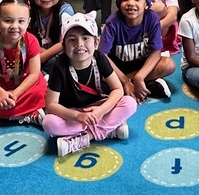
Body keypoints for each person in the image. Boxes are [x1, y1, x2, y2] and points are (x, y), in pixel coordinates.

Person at [43, 12, 137, 157]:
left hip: (99, 106)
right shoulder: (59, 65)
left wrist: (101, 111)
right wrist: (77, 115)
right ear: (64, 46)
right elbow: (51, 105)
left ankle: (86, 137)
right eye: (72, 39)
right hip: (73, 112)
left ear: (96, 42)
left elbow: (117, 89)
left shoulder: (100, 58)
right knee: (48, 123)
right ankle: (109, 129)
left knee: (130, 103)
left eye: (85, 38)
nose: (79, 44)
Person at [100, 0, 176, 103]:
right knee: (96, 72)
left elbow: (156, 52)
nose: (130, 3)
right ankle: (140, 85)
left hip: (141, 65)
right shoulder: (113, 22)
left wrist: (139, 77)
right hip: (117, 67)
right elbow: (102, 55)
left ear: (146, 4)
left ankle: (126, 86)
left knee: (168, 65)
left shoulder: (152, 18)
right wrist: (125, 80)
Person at [0, 0, 48, 124]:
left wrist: (15, 94)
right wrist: (2, 93)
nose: (14, 26)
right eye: (8, 20)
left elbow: (34, 74)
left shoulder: (32, 41)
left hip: (24, 86)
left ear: (28, 22)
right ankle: (27, 113)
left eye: (21, 21)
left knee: (39, 93)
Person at [28, 0, 75, 74]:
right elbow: (24, 38)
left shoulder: (65, 10)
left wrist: (38, 59)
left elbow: (64, 42)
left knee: (55, 63)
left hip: (58, 54)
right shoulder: (27, 8)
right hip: (34, 52)